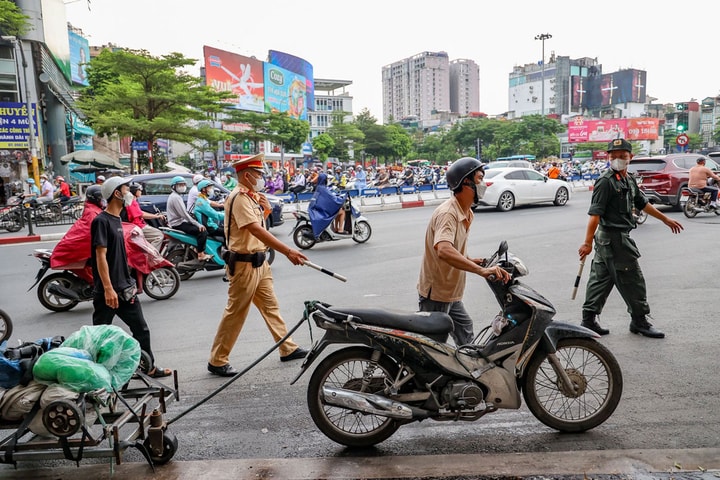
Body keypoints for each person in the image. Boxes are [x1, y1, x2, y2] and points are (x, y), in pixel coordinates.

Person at [207, 153, 309, 377]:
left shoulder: (252, 197)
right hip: (244, 265)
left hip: (260, 263)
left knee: (271, 307)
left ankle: (287, 347)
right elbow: (254, 230)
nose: (262, 177)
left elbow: (255, 226)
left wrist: (266, 211)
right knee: (236, 313)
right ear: (246, 175)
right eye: (259, 174)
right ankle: (217, 360)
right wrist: (288, 251)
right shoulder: (240, 197)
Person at [578, 138, 683, 339]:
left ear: (630, 158)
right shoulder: (605, 182)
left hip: (609, 241)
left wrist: (665, 219)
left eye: (622, 156)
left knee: (601, 279)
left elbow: (642, 203)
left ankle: (588, 320)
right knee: (633, 279)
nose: (617, 159)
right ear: (608, 158)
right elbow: (595, 215)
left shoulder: (628, 179)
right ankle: (639, 320)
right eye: (613, 156)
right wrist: (587, 242)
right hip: (614, 239)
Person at [417, 157, 511, 346]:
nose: (483, 184)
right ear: (465, 183)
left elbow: (454, 247)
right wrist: (481, 271)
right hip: (437, 294)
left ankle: (469, 374)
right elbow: (444, 250)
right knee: (433, 347)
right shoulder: (448, 213)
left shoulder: (467, 212)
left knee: (465, 331)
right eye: (479, 179)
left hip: (451, 291)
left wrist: (473, 261)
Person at [91, 176, 171, 378]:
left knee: (141, 329)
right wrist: (108, 288)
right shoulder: (101, 221)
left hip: (125, 287)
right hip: (109, 291)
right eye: (126, 189)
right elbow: (100, 257)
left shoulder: (118, 219)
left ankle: (149, 367)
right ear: (117, 193)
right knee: (99, 335)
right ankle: (92, 374)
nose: (130, 192)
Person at [165, 176, 212, 261]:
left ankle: (196, 248)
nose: (182, 186)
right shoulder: (175, 197)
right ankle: (201, 254)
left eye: (183, 184)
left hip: (179, 222)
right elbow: (184, 214)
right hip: (178, 224)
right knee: (203, 231)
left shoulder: (176, 196)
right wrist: (198, 224)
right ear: (173, 186)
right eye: (180, 185)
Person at [125, 182, 165, 251]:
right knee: (159, 235)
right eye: (139, 190)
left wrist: (154, 215)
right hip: (138, 226)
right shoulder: (132, 201)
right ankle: (152, 257)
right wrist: (156, 217)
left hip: (139, 224)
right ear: (135, 191)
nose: (141, 191)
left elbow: (140, 212)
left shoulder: (133, 200)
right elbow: (141, 214)